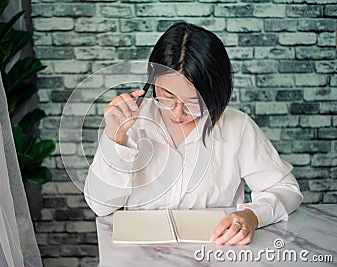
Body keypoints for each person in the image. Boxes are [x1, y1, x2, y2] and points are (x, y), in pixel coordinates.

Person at [84, 22, 303, 245]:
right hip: (141, 253)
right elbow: (101, 205)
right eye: (167, 96)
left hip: (215, 251)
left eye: (192, 102)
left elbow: (286, 190)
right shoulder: (130, 120)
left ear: (215, 91)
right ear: (152, 77)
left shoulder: (237, 126)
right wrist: (115, 138)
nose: (178, 112)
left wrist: (251, 215)